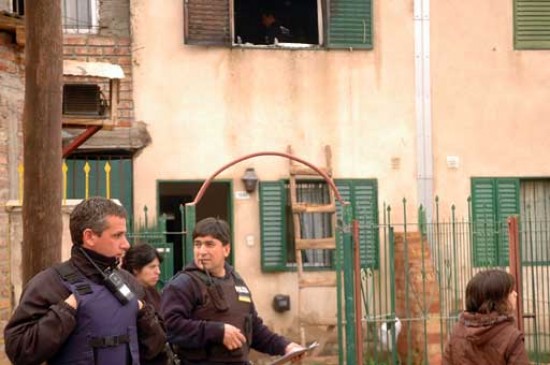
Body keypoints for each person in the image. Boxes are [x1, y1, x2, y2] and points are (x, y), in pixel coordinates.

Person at [4, 197, 166, 365]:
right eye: (117, 235)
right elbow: (19, 351)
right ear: (89, 237)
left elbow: (156, 349)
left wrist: (143, 313)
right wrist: (64, 311)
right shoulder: (49, 284)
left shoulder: (129, 282)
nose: (126, 244)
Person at [161, 217, 304, 365]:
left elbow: (253, 329)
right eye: (198, 244)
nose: (202, 251)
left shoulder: (236, 282)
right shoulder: (183, 284)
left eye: (209, 244)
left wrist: (286, 346)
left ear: (226, 249)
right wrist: (217, 332)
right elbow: (171, 327)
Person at [443, 269, 529, 365]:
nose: (515, 294)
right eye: (510, 291)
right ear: (498, 300)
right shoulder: (511, 337)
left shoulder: (457, 331)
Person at [123, 243, 172, 365]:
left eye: (158, 267)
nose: (158, 272)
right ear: (135, 268)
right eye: (152, 267)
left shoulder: (152, 291)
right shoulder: (128, 295)